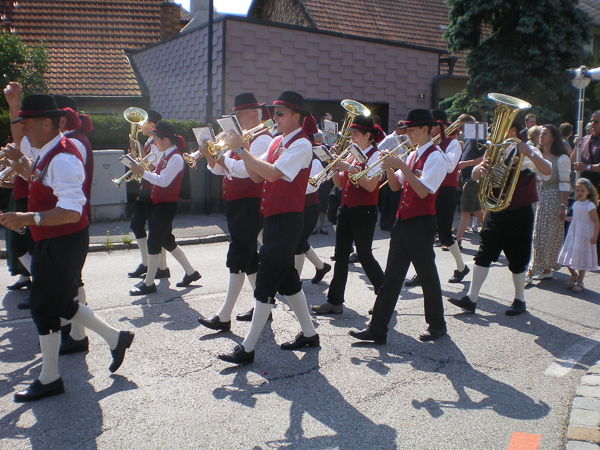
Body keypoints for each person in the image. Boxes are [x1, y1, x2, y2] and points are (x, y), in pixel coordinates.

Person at [0, 92, 134, 401]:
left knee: (43, 307)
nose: (22, 130)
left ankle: (50, 378)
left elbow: (72, 211)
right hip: (55, 239)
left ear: (46, 123)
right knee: (58, 303)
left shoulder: (63, 156)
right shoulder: (48, 150)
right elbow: (39, 177)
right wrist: (19, 165)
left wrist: (26, 217)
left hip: (63, 240)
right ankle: (116, 338)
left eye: (27, 124)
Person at [217, 90, 319, 365]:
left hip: (288, 219)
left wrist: (241, 149)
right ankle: (310, 334)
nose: (275, 118)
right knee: (288, 281)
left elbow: (273, 174)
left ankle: (247, 348)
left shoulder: (302, 144)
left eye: (281, 113)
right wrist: (242, 151)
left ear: (297, 116)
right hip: (273, 218)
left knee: (265, 282)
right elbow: (255, 175)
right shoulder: (276, 141)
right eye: (274, 113)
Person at [349, 109, 448, 343]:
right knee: (392, 277)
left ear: (426, 129)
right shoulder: (412, 155)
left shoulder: (436, 157)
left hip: (422, 222)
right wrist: (389, 167)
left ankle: (437, 324)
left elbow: (423, 191)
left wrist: (401, 165)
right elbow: (395, 187)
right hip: (403, 221)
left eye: (412, 131)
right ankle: (377, 328)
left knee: (427, 275)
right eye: (407, 131)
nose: (408, 135)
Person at [447, 129, 552, 316]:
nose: (496, 130)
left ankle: (520, 299)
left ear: (512, 130)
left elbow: (547, 172)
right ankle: (471, 298)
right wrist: (480, 168)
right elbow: (475, 176)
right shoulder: (494, 149)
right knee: (484, 253)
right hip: (495, 210)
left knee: (518, 257)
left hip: (519, 212)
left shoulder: (528, 150)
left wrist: (529, 152)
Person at [198, 92, 272, 331]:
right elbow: (219, 170)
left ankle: (224, 316)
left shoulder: (262, 138)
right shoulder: (238, 138)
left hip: (251, 202)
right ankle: (263, 307)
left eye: (240, 115)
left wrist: (225, 154)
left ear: (254, 115)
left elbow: (243, 170)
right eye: (235, 116)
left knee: (239, 255)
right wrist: (208, 153)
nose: (236, 120)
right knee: (249, 257)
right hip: (236, 202)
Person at [311, 115, 385, 315]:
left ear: (368, 135)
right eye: (351, 134)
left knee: (364, 255)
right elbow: (339, 184)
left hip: (365, 211)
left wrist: (349, 168)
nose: (351, 138)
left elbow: (370, 186)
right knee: (341, 256)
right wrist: (334, 164)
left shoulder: (376, 156)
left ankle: (384, 294)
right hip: (346, 209)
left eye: (355, 134)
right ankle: (335, 301)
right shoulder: (352, 154)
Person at [128, 121, 201, 295]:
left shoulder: (175, 157)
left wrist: (142, 172)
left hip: (166, 206)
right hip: (159, 204)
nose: (154, 143)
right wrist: (142, 167)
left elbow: (163, 181)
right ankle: (191, 272)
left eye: (156, 139)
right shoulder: (166, 155)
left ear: (165, 139)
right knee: (167, 241)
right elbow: (156, 175)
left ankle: (148, 283)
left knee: (154, 242)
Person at [127, 110, 170, 281]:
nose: (139, 126)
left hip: (154, 190)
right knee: (137, 224)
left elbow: (152, 167)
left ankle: (161, 267)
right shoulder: (148, 142)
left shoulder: (158, 144)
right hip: (145, 188)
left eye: (142, 123)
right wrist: (134, 156)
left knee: (156, 231)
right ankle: (147, 263)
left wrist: (140, 160)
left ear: (152, 125)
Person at [525, 125, 571, 283]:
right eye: (540, 133)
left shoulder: (562, 158)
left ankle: (532, 270)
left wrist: (563, 205)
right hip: (535, 196)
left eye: (545, 134)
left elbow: (565, 183)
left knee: (543, 235)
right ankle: (545, 269)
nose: (541, 136)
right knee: (538, 233)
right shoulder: (537, 155)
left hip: (552, 197)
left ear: (553, 137)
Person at [557, 178, 599, 293]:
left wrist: (595, 235)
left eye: (582, 190)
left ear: (588, 192)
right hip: (574, 234)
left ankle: (580, 282)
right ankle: (574, 275)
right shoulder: (575, 204)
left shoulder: (590, 205)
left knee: (581, 258)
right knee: (566, 256)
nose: (579, 193)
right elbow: (575, 219)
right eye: (577, 190)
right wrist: (565, 218)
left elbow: (596, 221)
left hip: (584, 234)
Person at [454, 132, 486, 248]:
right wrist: (460, 174)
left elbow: (485, 158)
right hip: (465, 176)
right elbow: (466, 156)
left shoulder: (480, 136)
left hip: (472, 179)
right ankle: (494, 233)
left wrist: (467, 164)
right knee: (477, 212)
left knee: (465, 211)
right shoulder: (468, 136)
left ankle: (457, 241)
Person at [377, 120, 405, 231]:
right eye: (403, 129)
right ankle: (386, 223)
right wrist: (388, 156)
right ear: (397, 129)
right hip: (391, 168)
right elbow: (378, 149)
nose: (405, 131)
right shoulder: (390, 138)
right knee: (389, 198)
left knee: (395, 198)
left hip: (400, 168)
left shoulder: (404, 139)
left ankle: (392, 221)